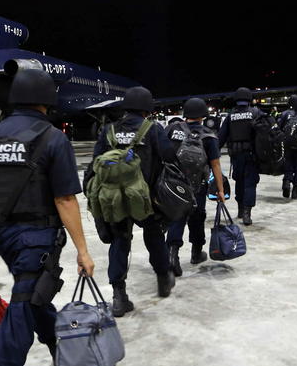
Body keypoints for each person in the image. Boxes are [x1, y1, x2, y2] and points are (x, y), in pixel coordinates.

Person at [0, 69, 95, 366]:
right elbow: (65, 199)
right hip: (36, 238)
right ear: (47, 100)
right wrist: (83, 250)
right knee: (22, 307)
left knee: (34, 297)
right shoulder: (52, 138)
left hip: (0, 238)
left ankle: (60, 349)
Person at [91, 86, 177, 317]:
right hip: (144, 199)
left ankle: (119, 296)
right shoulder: (153, 129)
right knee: (154, 236)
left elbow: (94, 164)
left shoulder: (109, 130)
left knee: (119, 241)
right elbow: (170, 158)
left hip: (114, 199)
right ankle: (163, 279)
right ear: (147, 109)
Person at [165, 98, 225, 276]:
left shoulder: (172, 129)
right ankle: (196, 253)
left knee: (177, 217)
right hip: (197, 185)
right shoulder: (208, 135)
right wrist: (220, 189)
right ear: (203, 116)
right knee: (197, 217)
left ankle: (172, 255)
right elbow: (215, 165)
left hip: (173, 184)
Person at [218, 87, 263, 225]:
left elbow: (221, 137)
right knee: (250, 183)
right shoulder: (256, 113)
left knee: (239, 181)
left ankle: (240, 209)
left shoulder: (230, 116)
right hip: (252, 155)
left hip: (236, 155)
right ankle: (247, 214)